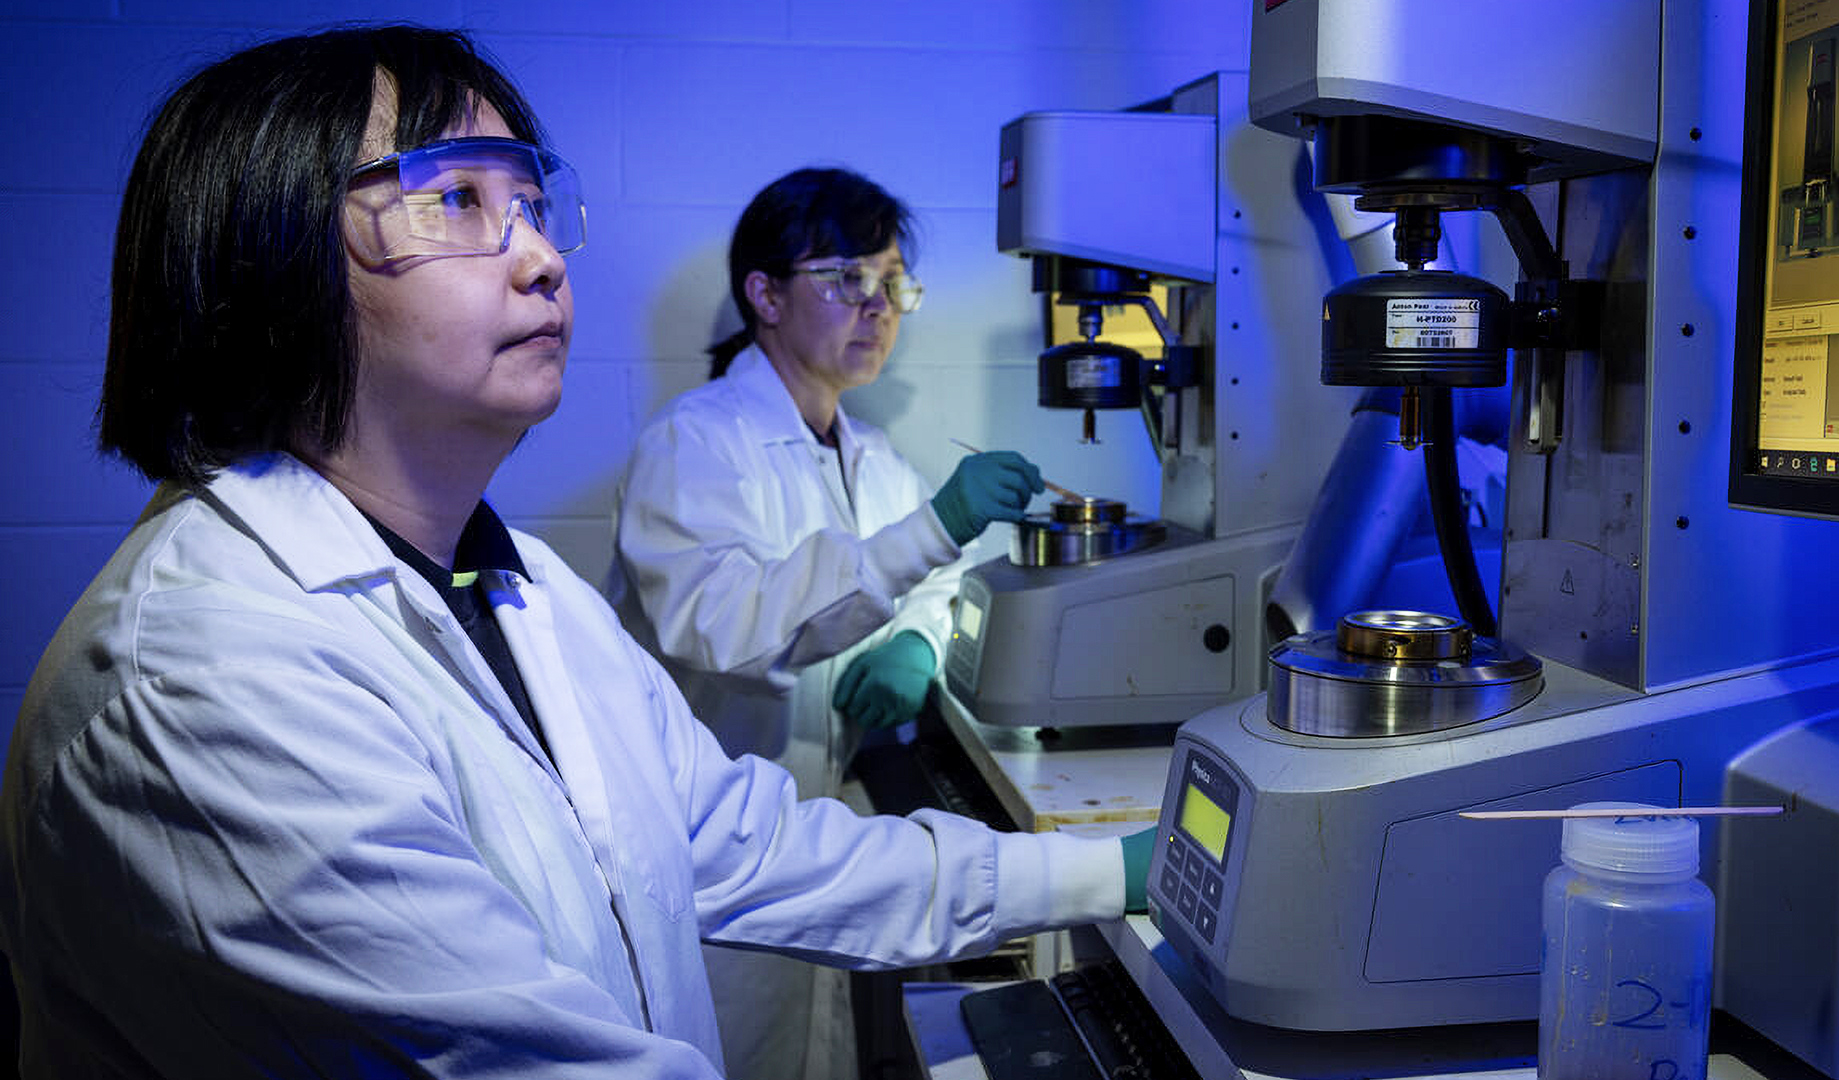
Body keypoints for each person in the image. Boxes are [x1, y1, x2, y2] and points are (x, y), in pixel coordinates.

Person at [0, 25, 1148, 1079]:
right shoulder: (206, 677)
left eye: (534, 206)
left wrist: (1109, 873)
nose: (542, 258)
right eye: (455, 196)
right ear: (269, 261)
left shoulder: (522, 591)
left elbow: (760, 849)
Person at [604, 167, 1052, 1079]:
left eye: (892, 284)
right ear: (763, 294)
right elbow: (726, 625)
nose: (878, 307)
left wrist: (920, 642)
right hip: (708, 860)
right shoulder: (694, 444)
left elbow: (935, 580)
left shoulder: (869, 455)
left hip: (817, 841)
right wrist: (934, 529)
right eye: (847, 279)